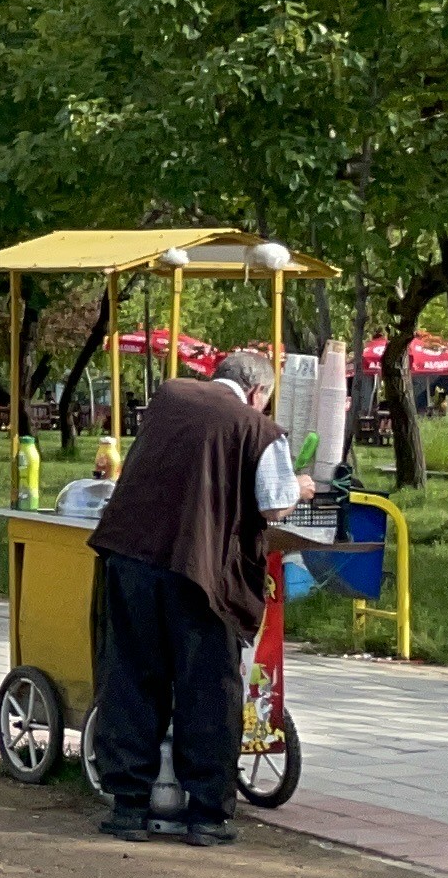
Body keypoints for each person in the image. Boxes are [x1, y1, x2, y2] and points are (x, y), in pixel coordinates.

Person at [85, 349, 299, 846]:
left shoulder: (168, 396)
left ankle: (129, 807)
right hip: (201, 571)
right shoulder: (258, 428)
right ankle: (206, 814)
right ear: (258, 392)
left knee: (132, 676)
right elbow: (274, 505)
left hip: (131, 555)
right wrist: (301, 488)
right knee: (207, 686)